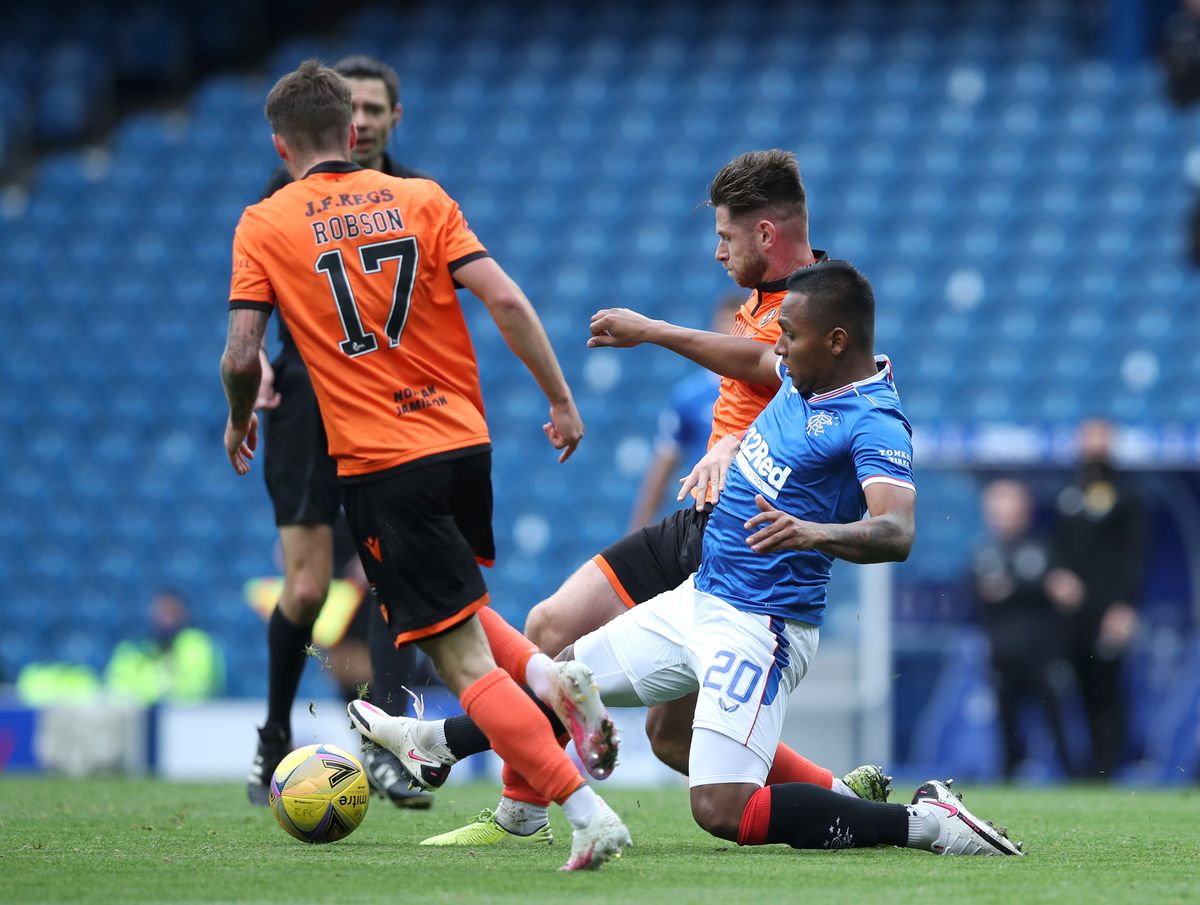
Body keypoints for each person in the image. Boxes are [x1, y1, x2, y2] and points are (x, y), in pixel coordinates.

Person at [355, 262, 1025, 857]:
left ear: (838, 340)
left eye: (789, 334)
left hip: (761, 624)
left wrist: (811, 531)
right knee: (564, 681)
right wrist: (653, 332)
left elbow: (896, 529)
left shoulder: (872, 418)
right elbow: (740, 357)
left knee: (720, 808)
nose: (778, 347)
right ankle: (435, 741)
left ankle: (926, 824)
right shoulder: (802, 372)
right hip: (699, 597)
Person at [220, 60, 630, 870]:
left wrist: (239, 419)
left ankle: (586, 810)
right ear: (352, 129)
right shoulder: (424, 198)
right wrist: (560, 398)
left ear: (279, 141)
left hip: (380, 461)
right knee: (463, 609)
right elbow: (506, 299)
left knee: (458, 659)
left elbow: (242, 355)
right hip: (462, 444)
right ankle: (551, 678)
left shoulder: (264, 222)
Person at [418, 150, 891, 847]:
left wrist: (657, 340)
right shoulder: (784, 300)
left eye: (726, 237)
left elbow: (799, 390)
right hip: (705, 519)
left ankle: (491, 784)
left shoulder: (812, 313)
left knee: (549, 630)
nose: (716, 251)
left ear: (764, 234)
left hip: (725, 531)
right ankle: (838, 793)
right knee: (669, 735)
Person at [246, 55, 431, 809]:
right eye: (347, 107)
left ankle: (382, 748)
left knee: (398, 580)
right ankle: (273, 734)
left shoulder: (413, 198)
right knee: (307, 585)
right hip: (304, 405)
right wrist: (253, 357)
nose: (358, 121)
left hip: (388, 404)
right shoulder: (282, 195)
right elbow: (250, 299)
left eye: (372, 109)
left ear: (392, 119)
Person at [1044, 419, 1147, 779]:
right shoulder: (1068, 493)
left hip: (1108, 612)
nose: (1093, 445)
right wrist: (1055, 576)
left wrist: (1123, 606)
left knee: (1107, 691)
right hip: (1071, 615)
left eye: (1100, 437)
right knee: (1069, 689)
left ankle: (1108, 769)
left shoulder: (1128, 495)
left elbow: (1135, 555)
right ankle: (1077, 770)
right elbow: (1055, 548)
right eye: (1088, 437)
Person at [972, 479, 1076, 779]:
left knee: (1055, 716)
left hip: (1042, 653)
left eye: (1010, 508)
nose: (1004, 516)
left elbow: (1064, 591)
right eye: (997, 509)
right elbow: (979, 592)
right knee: (1007, 720)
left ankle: (1072, 774)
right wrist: (1036, 586)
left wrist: (1017, 586)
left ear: (1024, 512)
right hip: (1003, 653)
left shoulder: (1042, 549)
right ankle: (1009, 772)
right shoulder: (984, 552)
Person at [627, 294, 741, 531]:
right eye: (724, 323)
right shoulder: (690, 396)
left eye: (736, 324)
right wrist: (639, 527)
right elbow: (665, 461)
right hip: (707, 512)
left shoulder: (769, 389)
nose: (730, 331)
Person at [104, 590, 225, 704]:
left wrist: (150, 693)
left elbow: (197, 687)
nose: (167, 619)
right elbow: (117, 689)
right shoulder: (131, 649)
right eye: (161, 611)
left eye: (172, 612)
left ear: (183, 614)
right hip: (138, 718)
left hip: (187, 718)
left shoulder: (198, 645)